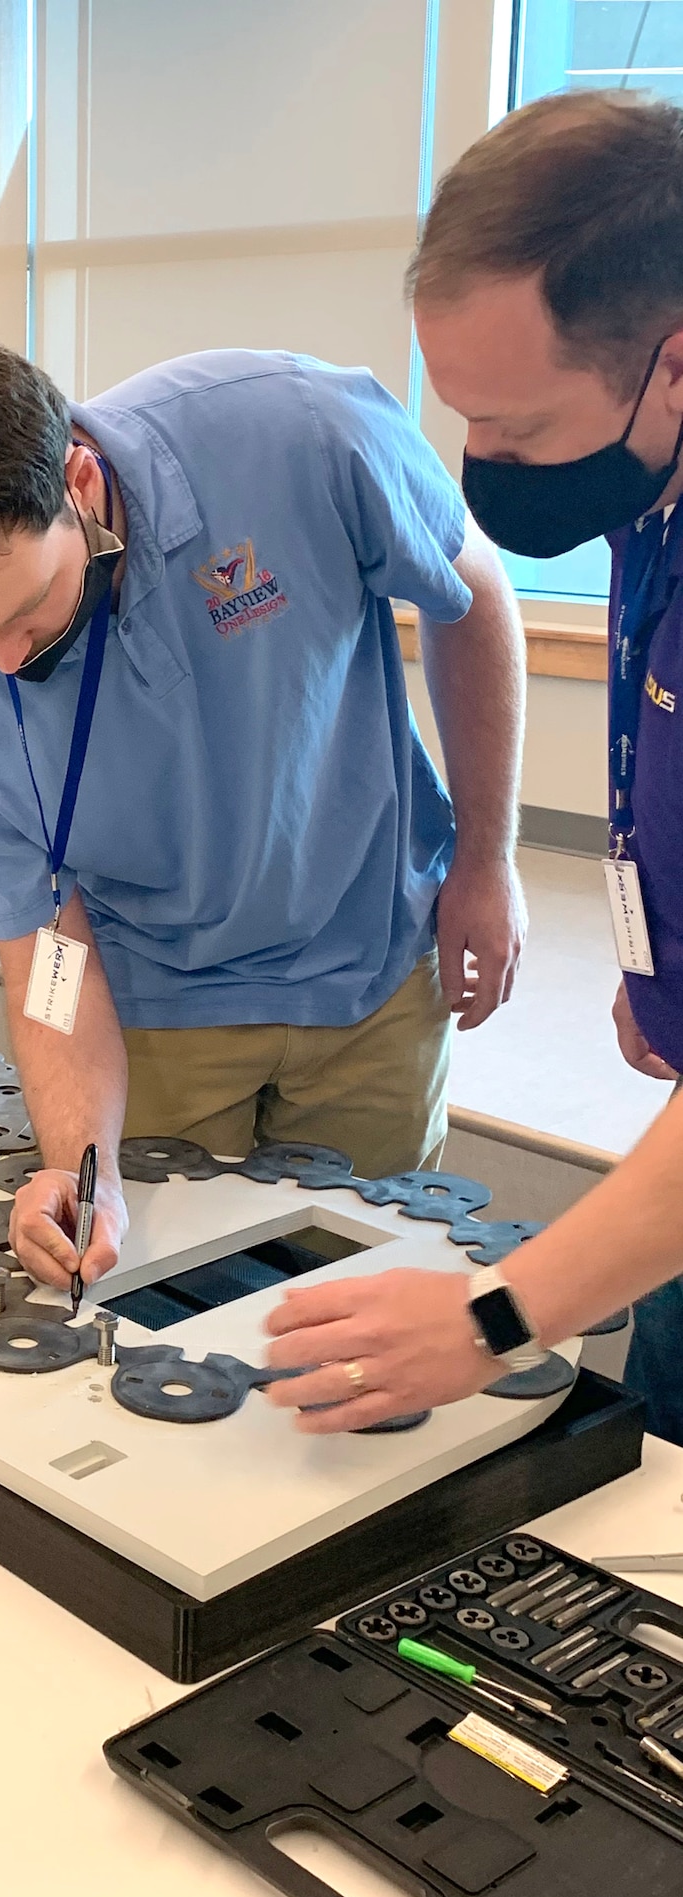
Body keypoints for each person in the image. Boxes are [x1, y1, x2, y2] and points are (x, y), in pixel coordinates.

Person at [0, 336, 527, 1296]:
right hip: (150, 1000)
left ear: (77, 480)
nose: (0, 660)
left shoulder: (301, 430)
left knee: (362, 1302)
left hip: (369, 965)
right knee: (163, 1318)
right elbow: (46, 954)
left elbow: (471, 593)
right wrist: (86, 1169)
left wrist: (486, 860)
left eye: (26, 613)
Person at [264, 90, 683, 1437]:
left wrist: (489, 1317)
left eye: (518, 428)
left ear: (670, 365)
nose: (480, 467)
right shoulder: (645, 481)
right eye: (462, 418)